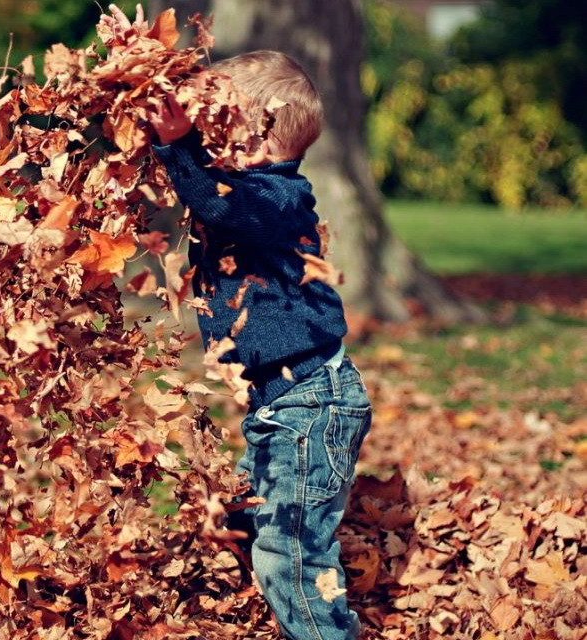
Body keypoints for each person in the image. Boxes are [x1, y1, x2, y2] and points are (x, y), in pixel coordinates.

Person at [146, 50, 373, 640]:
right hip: (282, 407)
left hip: (310, 407)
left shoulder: (276, 198)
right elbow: (214, 201)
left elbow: (219, 202)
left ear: (254, 136)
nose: (203, 136)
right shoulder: (251, 196)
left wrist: (177, 148)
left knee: (292, 559)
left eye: (214, 124)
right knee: (247, 518)